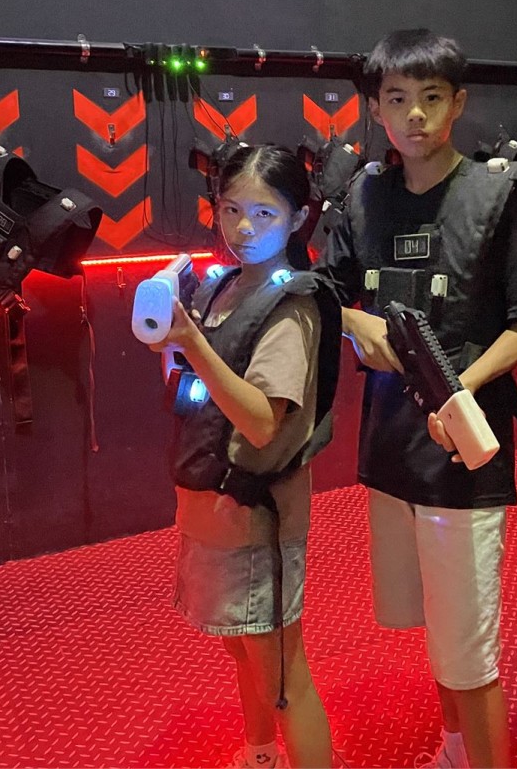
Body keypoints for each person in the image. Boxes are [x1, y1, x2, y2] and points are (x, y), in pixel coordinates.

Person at [315, 28, 517, 768]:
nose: (414, 115)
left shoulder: (494, 195)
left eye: (430, 97)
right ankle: (455, 749)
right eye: (397, 99)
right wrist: (353, 319)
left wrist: (462, 385)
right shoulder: (364, 196)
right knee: (438, 628)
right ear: (376, 109)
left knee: (470, 645)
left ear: (458, 103)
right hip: (393, 445)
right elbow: (325, 291)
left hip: (465, 454)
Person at [146, 145, 340, 769]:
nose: (244, 228)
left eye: (264, 213)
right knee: (244, 649)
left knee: (282, 677)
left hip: (258, 519)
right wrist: (177, 342)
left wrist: (191, 342)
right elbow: (194, 391)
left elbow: (261, 424)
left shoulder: (291, 306)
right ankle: (261, 755)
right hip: (213, 507)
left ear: (298, 219)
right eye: (231, 210)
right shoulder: (222, 286)